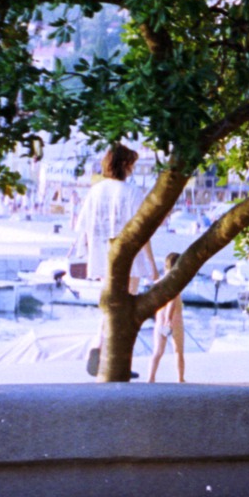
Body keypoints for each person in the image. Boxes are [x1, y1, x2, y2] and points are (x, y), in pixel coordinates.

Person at [71, 144, 158, 377]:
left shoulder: (95, 191)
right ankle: (116, 358)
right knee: (127, 309)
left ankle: (100, 349)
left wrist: (90, 253)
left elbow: (82, 227)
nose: (133, 168)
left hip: (103, 257)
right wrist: (152, 265)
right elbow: (142, 231)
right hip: (130, 258)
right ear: (124, 164)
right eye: (131, 163)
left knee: (110, 307)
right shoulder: (131, 192)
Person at [147, 252, 186, 383]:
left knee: (157, 352)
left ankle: (151, 377)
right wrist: (168, 318)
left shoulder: (159, 283)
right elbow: (172, 301)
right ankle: (180, 378)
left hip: (160, 321)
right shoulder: (176, 283)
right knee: (178, 351)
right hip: (174, 320)